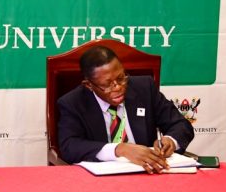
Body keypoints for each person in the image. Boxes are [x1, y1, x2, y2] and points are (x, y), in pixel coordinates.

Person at [57, 44, 194, 172]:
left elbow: (181, 124)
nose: (118, 87)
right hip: (100, 180)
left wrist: (171, 140)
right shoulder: (72, 103)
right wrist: (119, 149)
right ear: (89, 85)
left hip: (147, 173)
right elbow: (70, 146)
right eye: (108, 84)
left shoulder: (144, 88)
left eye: (121, 77)